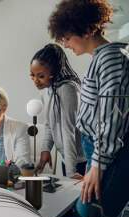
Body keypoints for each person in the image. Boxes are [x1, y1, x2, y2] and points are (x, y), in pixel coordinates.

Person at [49, 0, 129, 217]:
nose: (65, 44)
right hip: (98, 148)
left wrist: (97, 167)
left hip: (110, 153)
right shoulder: (100, 59)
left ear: (86, 30)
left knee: (89, 216)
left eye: (66, 38)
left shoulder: (111, 59)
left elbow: (112, 119)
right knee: (89, 214)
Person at [30, 43, 87, 178]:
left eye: (41, 76)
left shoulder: (68, 89)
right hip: (66, 158)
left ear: (54, 72)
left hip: (80, 161)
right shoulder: (47, 90)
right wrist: (45, 150)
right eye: (32, 75)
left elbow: (69, 131)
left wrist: (71, 172)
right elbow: (50, 124)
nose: (35, 81)